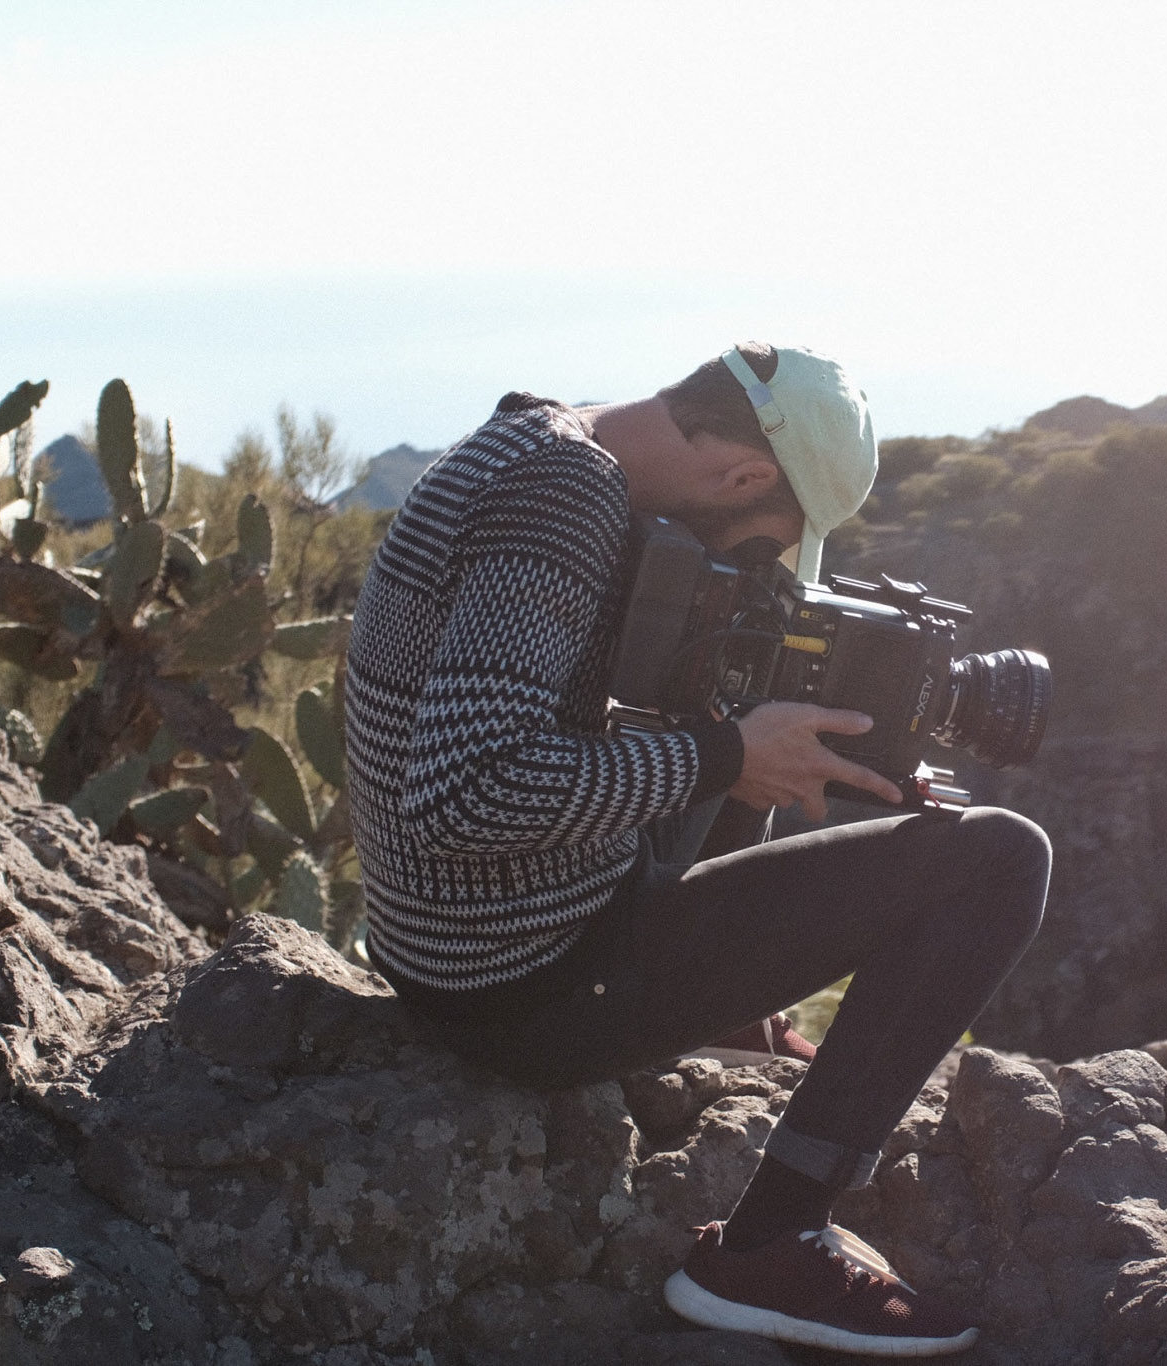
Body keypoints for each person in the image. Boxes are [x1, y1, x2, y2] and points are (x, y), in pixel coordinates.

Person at [342, 342, 1050, 1358]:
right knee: (1000, 860)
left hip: (451, 945)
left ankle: (738, 1015)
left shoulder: (534, 435)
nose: (756, 573)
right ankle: (767, 1248)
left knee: (738, 707)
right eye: (768, 547)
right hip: (527, 993)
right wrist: (723, 752)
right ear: (742, 477)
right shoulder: (562, 502)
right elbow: (465, 791)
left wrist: (767, 747)